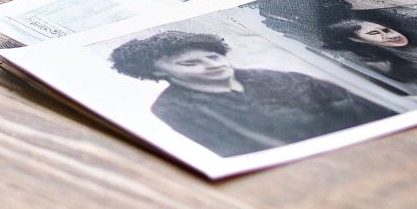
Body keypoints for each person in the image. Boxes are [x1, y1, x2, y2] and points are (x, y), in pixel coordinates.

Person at [108, 30, 390, 158]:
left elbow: (362, 107)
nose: (212, 66)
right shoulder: (171, 108)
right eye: (189, 63)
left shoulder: (275, 77)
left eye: (212, 57)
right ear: (158, 73)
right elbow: (238, 150)